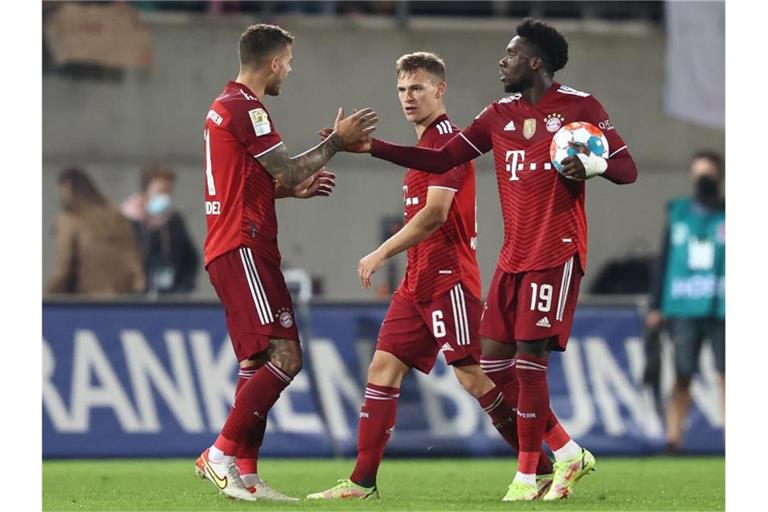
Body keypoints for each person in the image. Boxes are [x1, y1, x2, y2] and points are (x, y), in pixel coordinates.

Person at [346, 19, 638, 501]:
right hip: (513, 257)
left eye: (511, 54)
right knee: (495, 363)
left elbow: (627, 170)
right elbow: (443, 159)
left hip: (556, 252)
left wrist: (595, 163)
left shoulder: (580, 108)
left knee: (528, 362)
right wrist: (373, 147)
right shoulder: (498, 114)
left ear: (535, 62)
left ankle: (528, 475)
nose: (502, 61)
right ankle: (565, 452)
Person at [308, 52, 556, 501]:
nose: (408, 97)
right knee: (383, 369)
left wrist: (381, 252)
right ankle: (362, 483)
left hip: (448, 280)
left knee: (474, 377)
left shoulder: (449, 143)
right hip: (417, 282)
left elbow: (435, 215)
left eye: (417, 88)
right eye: (402, 89)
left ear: (440, 90)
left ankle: (541, 468)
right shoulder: (423, 148)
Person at [193, 23, 376, 502]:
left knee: (256, 361)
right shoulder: (248, 109)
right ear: (274, 62)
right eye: (289, 62)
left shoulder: (222, 107)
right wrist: (337, 140)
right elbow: (289, 166)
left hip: (233, 244)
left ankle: (246, 476)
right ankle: (219, 454)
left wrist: (287, 192)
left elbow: (252, 184)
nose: (289, 71)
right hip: (243, 246)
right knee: (286, 357)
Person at [646, 150, 725, 454]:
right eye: (699, 173)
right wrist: (655, 305)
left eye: (709, 173)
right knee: (682, 374)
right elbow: (663, 260)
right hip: (681, 305)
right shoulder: (678, 213)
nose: (704, 179)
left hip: (722, 306)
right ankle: (673, 438)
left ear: (719, 176)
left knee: (727, 375)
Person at [47, 167, 145, 297]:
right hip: (123, 301)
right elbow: (133, 259)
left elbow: (63, 267)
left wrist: (48, 298)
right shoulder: (118, 217)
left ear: (67, 189)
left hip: (86, 302)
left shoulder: (71, 219)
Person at [121, 164, 200, 295]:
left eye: (169, 191)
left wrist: (184, 287)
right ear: (146, 191)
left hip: (171, 293)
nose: (166, 197)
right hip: (135, 295)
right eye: (161, 191)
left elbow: (190, 257)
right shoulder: (127, 221)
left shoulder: (174, 220)